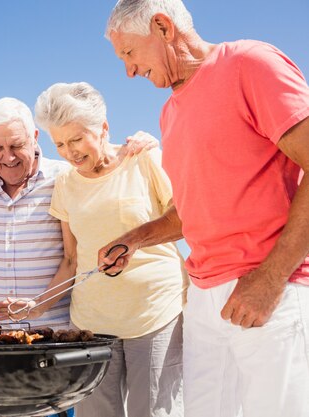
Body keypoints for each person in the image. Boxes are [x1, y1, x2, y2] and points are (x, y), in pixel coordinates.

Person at [103, 1, 309, 416]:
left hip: (270, 289)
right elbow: (188, 212)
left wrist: (270, 279)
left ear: (162, 27)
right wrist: (135, 239)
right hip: (204, 302)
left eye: (129, 53)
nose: (128, 71)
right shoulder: (170, 112)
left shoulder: (250, 63)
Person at [0, 81, 186, 417]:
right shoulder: (66, 183)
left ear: (103, 129)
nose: (69, 152)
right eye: (59, 144)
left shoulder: (144, 159)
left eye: (76, 139)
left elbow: (183, 220)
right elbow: (71, 261)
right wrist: (36, 306)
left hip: (155, 313)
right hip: (92, 326)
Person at [0, 97, 157, 331]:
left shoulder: (66, 177)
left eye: (17, 145)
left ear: (35, 137)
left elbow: (108, 178)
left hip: (55, 331)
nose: (8, 157)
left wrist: (139, 144)